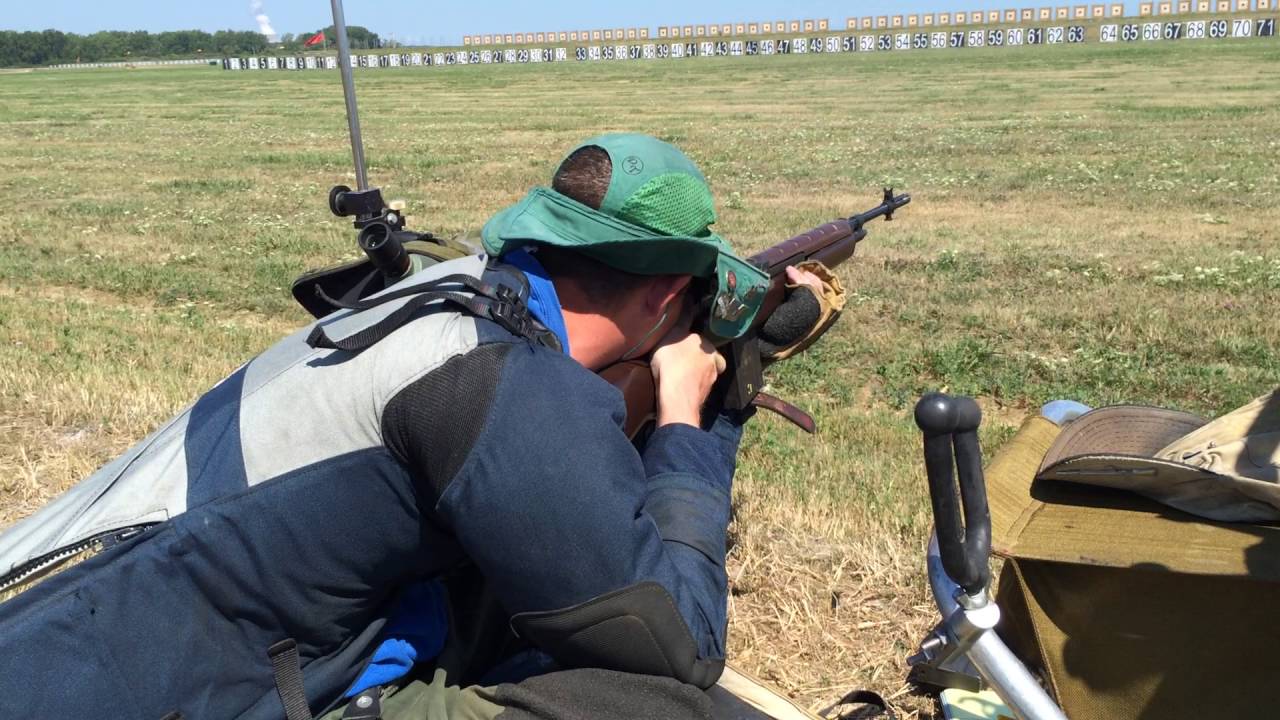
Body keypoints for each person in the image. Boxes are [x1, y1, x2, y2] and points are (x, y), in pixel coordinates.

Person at [0, 133, 822, 719]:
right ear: (665, 297)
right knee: (652, 704)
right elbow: (682, 640)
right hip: (186, 690)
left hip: (86, 631)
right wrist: (692, 422)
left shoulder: (452, 295)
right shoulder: (506, 383)